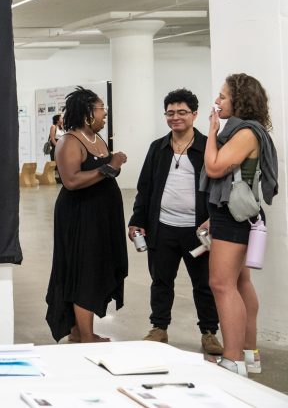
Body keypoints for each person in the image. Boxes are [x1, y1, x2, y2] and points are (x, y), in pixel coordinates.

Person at [127, 88, 221, 355]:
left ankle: (209, 332)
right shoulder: (158, 148)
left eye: (182, 112)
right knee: (161, 281)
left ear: (194, 114)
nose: (175, 117)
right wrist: (137, 219)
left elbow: (218, 187)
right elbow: (144, 187)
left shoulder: (207, 147)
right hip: (162, 227)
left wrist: (213, 219)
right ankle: (159, 328)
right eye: (170, 113)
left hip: (198, 230)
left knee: (203, 283)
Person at [201, 74, 278, 376]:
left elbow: (214, 166)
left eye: (222, 97)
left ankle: (231, 360)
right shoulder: (249, 131)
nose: (217, 102)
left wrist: (211, 131)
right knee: (240, 283)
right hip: (237, 213)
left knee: (221, 284)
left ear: (239, 100)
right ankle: (249, 353)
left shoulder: (245, 133)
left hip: (233, 217)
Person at [45, 87, 128, 343]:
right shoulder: (69, 141)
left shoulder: (97, 138)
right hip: (80, 215)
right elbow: (71, 180)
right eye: (102, 109)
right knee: (85, 271)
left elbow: (103, 171)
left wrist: (110, 166)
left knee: (96, 267)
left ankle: (79, 332)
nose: (105, 114)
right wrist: (109, 166)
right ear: (87, 113)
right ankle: (86, 336)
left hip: (101, 214)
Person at [49, 114, 62, 184]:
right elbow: (52, 138)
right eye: (61, 118)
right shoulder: (53, 127)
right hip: (55, 146)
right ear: (57, 120)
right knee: (55, 161)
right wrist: (57, 146)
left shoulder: (61, 127)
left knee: (61, 162)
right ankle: (56, 178)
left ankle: (61, 177)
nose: (62, 119)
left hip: (61, 145)